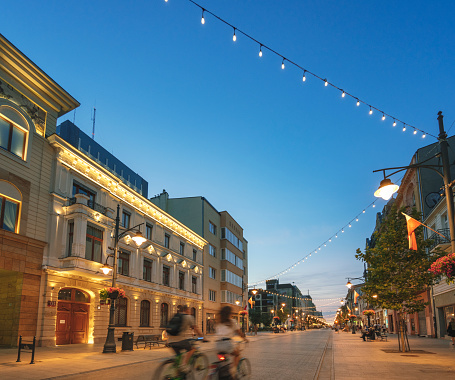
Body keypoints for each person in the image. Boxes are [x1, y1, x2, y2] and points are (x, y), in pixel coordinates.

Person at [167, 305, 204, 374]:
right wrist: (203, 337)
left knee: (179, 356)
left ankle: (177, 373)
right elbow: (195, 329)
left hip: (170, 341)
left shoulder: (175, 316)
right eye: (189, 310)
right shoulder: (189, 317)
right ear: (187, 310)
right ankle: (184, 366)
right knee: (192, 349)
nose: (190, 312)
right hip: (180, 340)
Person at [215, 306, 248, 378]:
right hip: (227, 344)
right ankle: (233, 371)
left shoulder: (219, 322)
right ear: (229, 313)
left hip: (218, 344)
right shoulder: (233, 321)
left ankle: (222, 370)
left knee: (223, 360)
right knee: (237, 355)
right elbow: (239, 332)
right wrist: (245, 339)